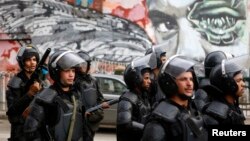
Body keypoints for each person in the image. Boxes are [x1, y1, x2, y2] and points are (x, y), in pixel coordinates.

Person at [24, 50, 88, 141]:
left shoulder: (76, 95)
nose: (71, 75)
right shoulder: (46, 97)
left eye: (73, 71)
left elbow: (82, 128)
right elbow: (30, 130)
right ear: (57, 72)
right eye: (67, 71)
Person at [141, 55, 208, 141]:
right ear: (170, 83)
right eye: (183, 79)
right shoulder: (160, 120)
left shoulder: (194, 108)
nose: (189, 83)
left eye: (191, 79)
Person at [5, 45, 45, 141]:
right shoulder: (15, 83)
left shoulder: (40, 82)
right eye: (28, 60)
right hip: (20, 134)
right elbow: (12, 113)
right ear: (22, 62)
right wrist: (30, 94)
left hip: (39, 133)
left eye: (34, 59)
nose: (32, 63)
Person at [75, 50, 110, 141]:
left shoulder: (93, 81)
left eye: (85, 64)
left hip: (92, 120)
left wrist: (102, 104)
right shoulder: (73, 81)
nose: (83, 67)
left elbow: (99, 97)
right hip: (78, 120)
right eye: (81, 64)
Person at [116, 55, 152, 141]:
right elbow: (124, 122)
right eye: (146, 78)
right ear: (136, 78)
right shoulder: (127, 99)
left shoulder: (144, 96)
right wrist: (147, 129)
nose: (149, 81)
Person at [202, 60, 246, 125]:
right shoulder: (216, 114)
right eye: (238, 80)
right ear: (226, 83)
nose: (243, 84)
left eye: (242, 80)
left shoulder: (233, 107)